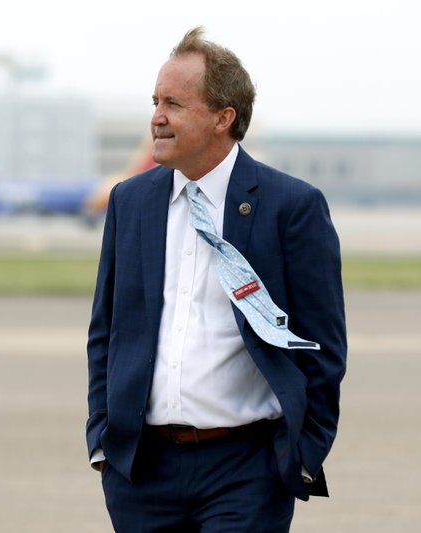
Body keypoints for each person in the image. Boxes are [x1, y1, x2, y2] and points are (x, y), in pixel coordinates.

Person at [86, 26, 347, 532]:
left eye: (174, 104)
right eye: (155, 101)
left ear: (223, 117)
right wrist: (103, 440)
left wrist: (301, 454)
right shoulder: (130, 201)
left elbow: (322, 347)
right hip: (142, 474)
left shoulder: (291, 207)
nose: (156, 118)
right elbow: (106, 332)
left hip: (246, 470)